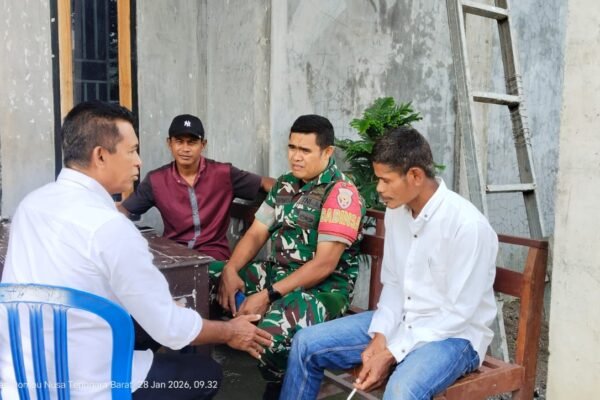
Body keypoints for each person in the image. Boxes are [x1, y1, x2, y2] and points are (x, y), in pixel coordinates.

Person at [0, 101, 272, 400]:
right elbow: (170, 328)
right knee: (205, 374)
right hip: (89, 386)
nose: (138, 161)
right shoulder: (112, 226)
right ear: (101, 155)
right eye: (131, 151)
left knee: (150, 325)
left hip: (20, 379)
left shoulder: (31, 204)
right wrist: (230, 331)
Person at [280, 126, 499, 400]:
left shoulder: (467, 226)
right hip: (402, 319)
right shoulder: (397, 212)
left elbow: (459, 314)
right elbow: (394, 284)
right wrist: (381, 335)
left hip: (453, 336)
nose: (379, 189)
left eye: (386, 180)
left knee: (401, 391)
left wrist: (391, 352)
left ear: (415, 176)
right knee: (306, 343)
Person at [211, 114, 366, 399]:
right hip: (278, 276)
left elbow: (324, 265)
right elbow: (256, 233)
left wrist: (267, 295)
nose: (295, 156)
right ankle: (195, 372)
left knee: (271, 335)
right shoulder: (284, 185)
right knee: (207, 276)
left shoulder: (340, 194)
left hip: (322, 290)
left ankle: (279, 386)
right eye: (292, 147)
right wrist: (231, 270)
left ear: (327, 152)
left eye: (305, 150)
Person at [118, 113, 275, 261]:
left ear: (203, 144)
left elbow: (264, 182)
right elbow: (126, 209)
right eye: (179, 141)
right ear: (169, 143)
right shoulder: (156, 180)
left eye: (192, 142)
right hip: (174, 256)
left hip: (213, 257)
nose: (185, 148)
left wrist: (287, 190)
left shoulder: (223, 174)